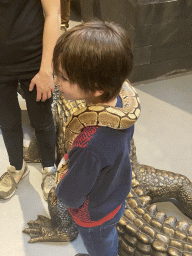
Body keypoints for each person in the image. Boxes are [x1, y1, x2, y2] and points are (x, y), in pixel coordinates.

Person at [53, 20, 136, 256]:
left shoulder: (88, 144)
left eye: (64, 77)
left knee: (100, 244)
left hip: (94, 214)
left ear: (97, 87)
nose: (57, 82)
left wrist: (61, 169)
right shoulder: (123, 104)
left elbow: (69, 195)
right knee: (108, 235)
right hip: (115, 194)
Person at [0, 0, 61, 201]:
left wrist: (46, 70)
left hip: (34, 61)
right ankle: (17, 167)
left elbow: (53, 14)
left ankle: (49, 169)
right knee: (7, 121)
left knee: (42, 120)